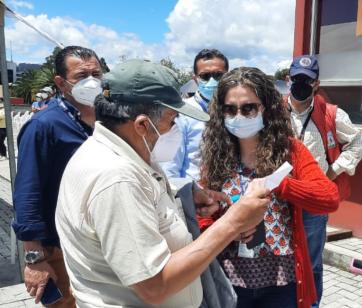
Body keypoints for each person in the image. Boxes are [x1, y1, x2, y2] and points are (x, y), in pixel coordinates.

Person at [55, 59, 270, 307]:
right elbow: (154, 286)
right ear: (143, 125)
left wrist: (187, 196)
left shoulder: (126, 150)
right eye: (171, 119)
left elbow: (145, 205)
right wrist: (233, 224)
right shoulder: (117, 178)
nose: (175, 127)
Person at [199, 67, 340, 308]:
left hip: (280, 279)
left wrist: (279, 184)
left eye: (248, 108)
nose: (239, 116)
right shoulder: (216, 157)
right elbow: (204, 219)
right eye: (230, 109)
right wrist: (226, 225)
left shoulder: (290, 151)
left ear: (265, 107)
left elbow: (329, 198)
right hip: (230, 277)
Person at [12, 45, 103, 307]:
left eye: (96, 74)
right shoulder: (44, 126)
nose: (91, 82)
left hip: (98, 243)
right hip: (60, 248)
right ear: (61, 83)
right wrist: (34, 259)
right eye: (82, 76)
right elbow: (27, 193)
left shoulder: (106, 120)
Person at [287, 54, 362, 306]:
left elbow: (357, 142)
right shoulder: (272, 112)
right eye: (297, 78)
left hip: (313, 200)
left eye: (307, 80)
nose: (301, 84)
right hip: (281, 196)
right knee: (283, 259)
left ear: (316, 84)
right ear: (288, 79)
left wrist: (332, 171)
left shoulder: (331, 113)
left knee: (311, 262)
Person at [162, 49, 229, 184]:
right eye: (205, 76)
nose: (212, 81)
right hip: (195, 197)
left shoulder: (235, 110)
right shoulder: (181, 114)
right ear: (195, 79)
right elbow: (169, 167)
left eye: (218, 75)